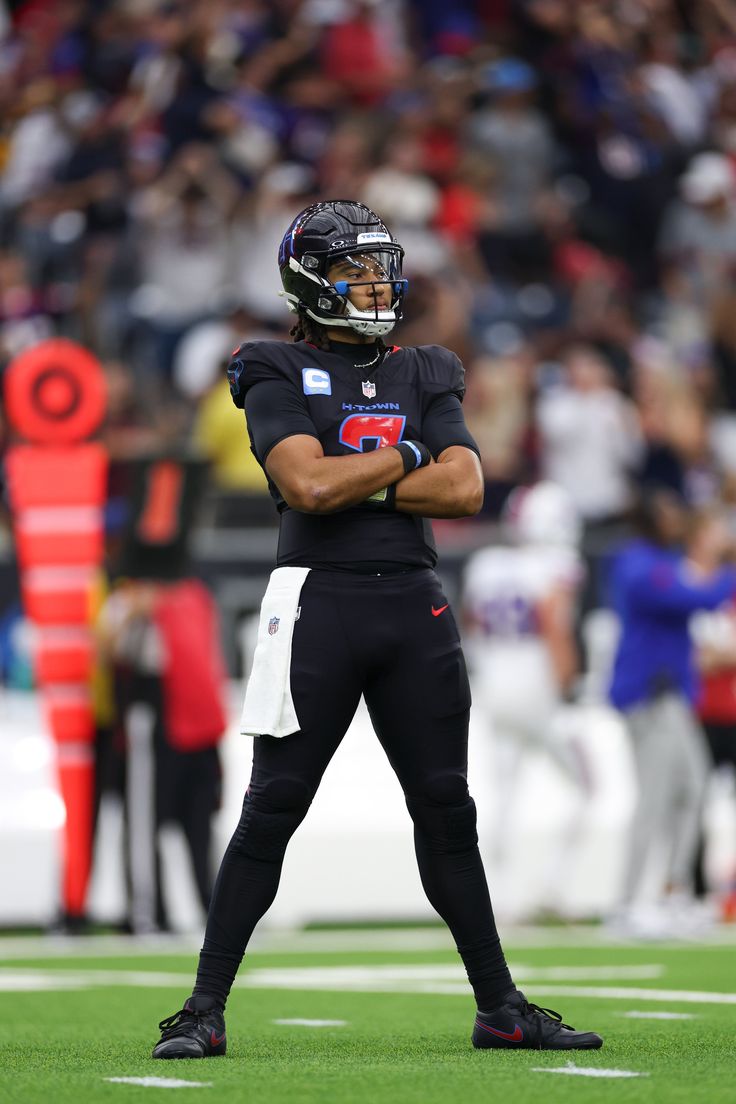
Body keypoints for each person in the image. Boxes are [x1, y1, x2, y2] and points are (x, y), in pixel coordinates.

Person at [151, 199, 603, 1058]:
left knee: (446, 809)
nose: (377, 283)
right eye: (358, 269)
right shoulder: (271, 364)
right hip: (316, 601)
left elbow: (466, 488)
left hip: (414, 603)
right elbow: (309, 489)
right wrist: (406, 459)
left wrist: (362, 473)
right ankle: (204, 1008)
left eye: (381, 267)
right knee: (273, 805)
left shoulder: (427, 366)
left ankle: (500, 1006)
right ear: (310, 279)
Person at [607, 491, 736, 935]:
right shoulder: (639, 563)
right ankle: (625, 902)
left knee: (693, 788)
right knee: (656, 796)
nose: (675, 518)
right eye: (667, 511)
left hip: (670, 694)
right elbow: (688, 599)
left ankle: (673, 891)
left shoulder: (657, 560)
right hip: (649, 693)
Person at [462, 481, 591, 914]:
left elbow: (473, 624)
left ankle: (496, 897)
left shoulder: (487, 564)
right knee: (587, 784)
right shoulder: (557, 565)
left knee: (502, 794)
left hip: (495, 685)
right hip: (537, 689)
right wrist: (569, 685)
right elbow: (554, 625)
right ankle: (551, 887)